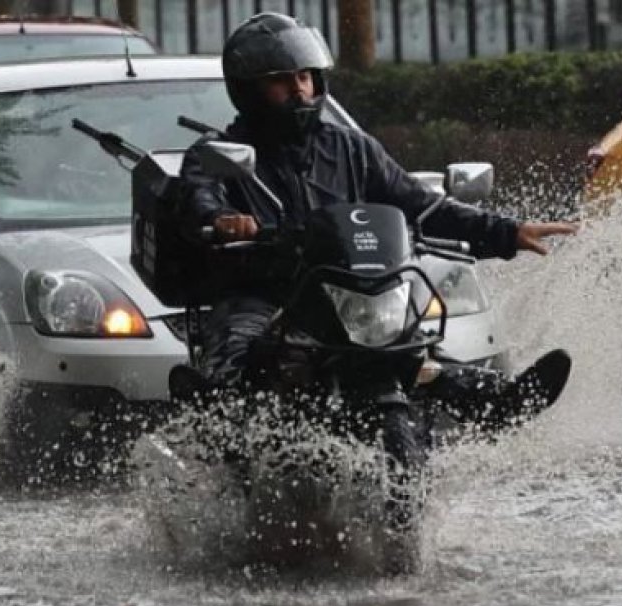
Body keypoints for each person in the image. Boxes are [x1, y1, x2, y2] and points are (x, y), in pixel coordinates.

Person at [178, 12, 576, 431]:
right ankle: (214, 434)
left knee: (410, 347)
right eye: (282, 79)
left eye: (305, 77)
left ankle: (497, 403)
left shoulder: (351, 148)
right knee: (234, 362)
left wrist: (507, 232)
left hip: (342, 291)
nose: (298, 89)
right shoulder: (221, 152)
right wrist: (222, 220)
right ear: (249, 89)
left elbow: (420, 205)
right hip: (261, 290)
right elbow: (198, 197)